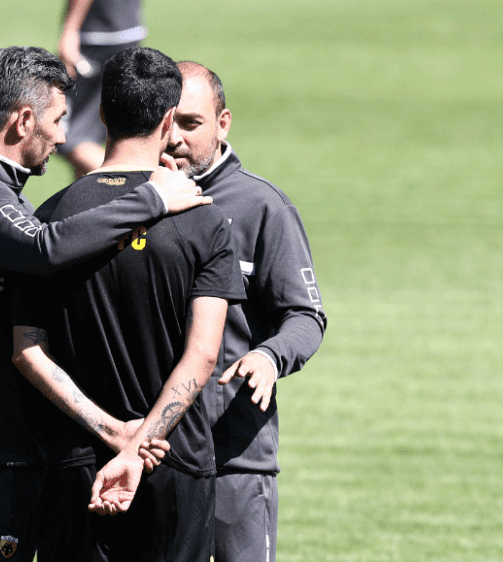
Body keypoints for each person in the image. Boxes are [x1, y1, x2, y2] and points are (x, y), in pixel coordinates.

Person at [0, 46, 208, 562]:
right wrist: (153, 198)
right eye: (57, 119)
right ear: (23, 121)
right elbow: (45, 248)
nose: (64, 137)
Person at [12, 47, 246, 562]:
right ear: (168, 119)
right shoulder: (204, 220)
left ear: (102, 113)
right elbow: (204, 355)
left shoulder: (49, 220)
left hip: (74, 464)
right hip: (173, 461)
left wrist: (111, 433)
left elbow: (27, 351)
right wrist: (141, 446)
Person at [166, 61, 329, 562]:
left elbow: (305, 315)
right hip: (154, 455)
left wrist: (269, 356)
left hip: (235, 456)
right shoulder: (135, 202)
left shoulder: (263, 207)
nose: (174, 138)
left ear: (223, 123)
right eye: (166, 121)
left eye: (190, 123)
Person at [56, 0, 146, 177]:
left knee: (65, 134)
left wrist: (70, 29)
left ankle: (136, 184)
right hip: (126, 30)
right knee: (92, 135)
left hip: (98, 37)